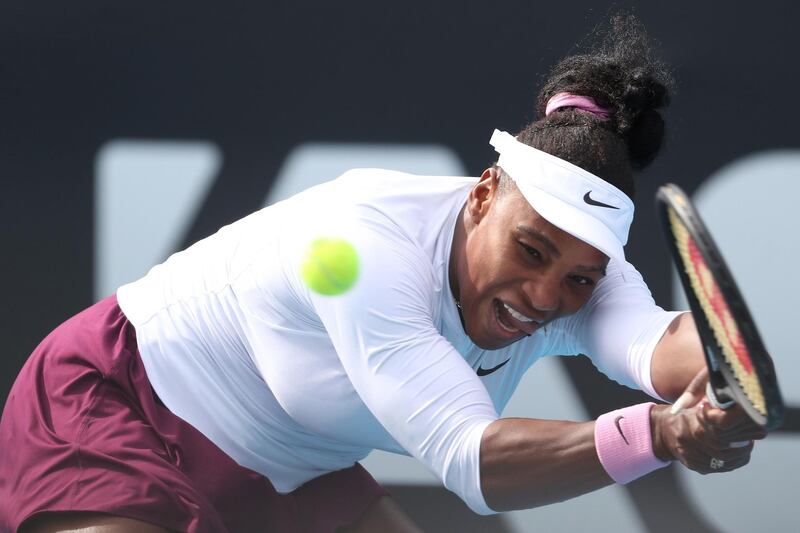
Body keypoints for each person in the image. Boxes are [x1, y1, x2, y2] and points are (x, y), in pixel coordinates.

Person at [0, 15, 766, 533]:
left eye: (578, 278)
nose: (545, 297)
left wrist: (720, 385)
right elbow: (474, 461)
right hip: (115, 406)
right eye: (530, 251)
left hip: (291, 467)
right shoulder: (368, 246)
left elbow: (664, 346)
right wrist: (662, 433)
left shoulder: (584, 274)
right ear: (484, 194)